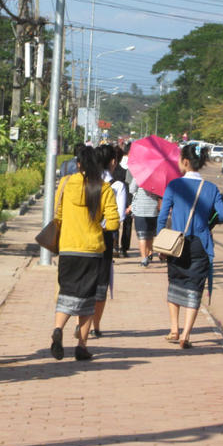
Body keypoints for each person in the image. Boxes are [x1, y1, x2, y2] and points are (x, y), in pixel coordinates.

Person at [50, 146, 119, 361]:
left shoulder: (64, 184)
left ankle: (58, 328)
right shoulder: (104, 188)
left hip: (68, 247)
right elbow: (114, 222)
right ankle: (81, 346)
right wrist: (98, 226)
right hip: (92, 250)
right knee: (88, 298)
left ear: (78, 164)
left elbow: (57, 216)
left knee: (67, 291)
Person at [157, 145, 223, 349]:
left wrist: (160, 243)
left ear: (185, 162)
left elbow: (162, 217)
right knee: (194, 287)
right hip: (201, 245)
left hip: (175, 244)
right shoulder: (211, 188)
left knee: (175, 283)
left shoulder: (173, 186)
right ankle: (186, 335)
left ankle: (174, 329)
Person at [85, 143, 126, 338]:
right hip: (105, 239)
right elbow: (119, 218)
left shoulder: (86, 183)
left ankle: (81, 323)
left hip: (84, 236)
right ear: (113, 162)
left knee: (85, 282)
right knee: (101, 283)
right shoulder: (117, 186)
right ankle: (95, 326)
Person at [129, 178, 160, 268]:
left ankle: (144, 258)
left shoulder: (139, 176)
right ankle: (150, 252)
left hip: (140, 209)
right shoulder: (157, 178)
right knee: (150, 234)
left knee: (142, 235)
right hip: (153, 209)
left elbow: (131, 189)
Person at [113, 144, 133, 258]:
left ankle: (115, 245)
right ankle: (124, 248)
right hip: (128, 197)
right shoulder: (133, 166)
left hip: (116, 197)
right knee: (128, 223)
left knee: (114, 221)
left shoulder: (114, 168)